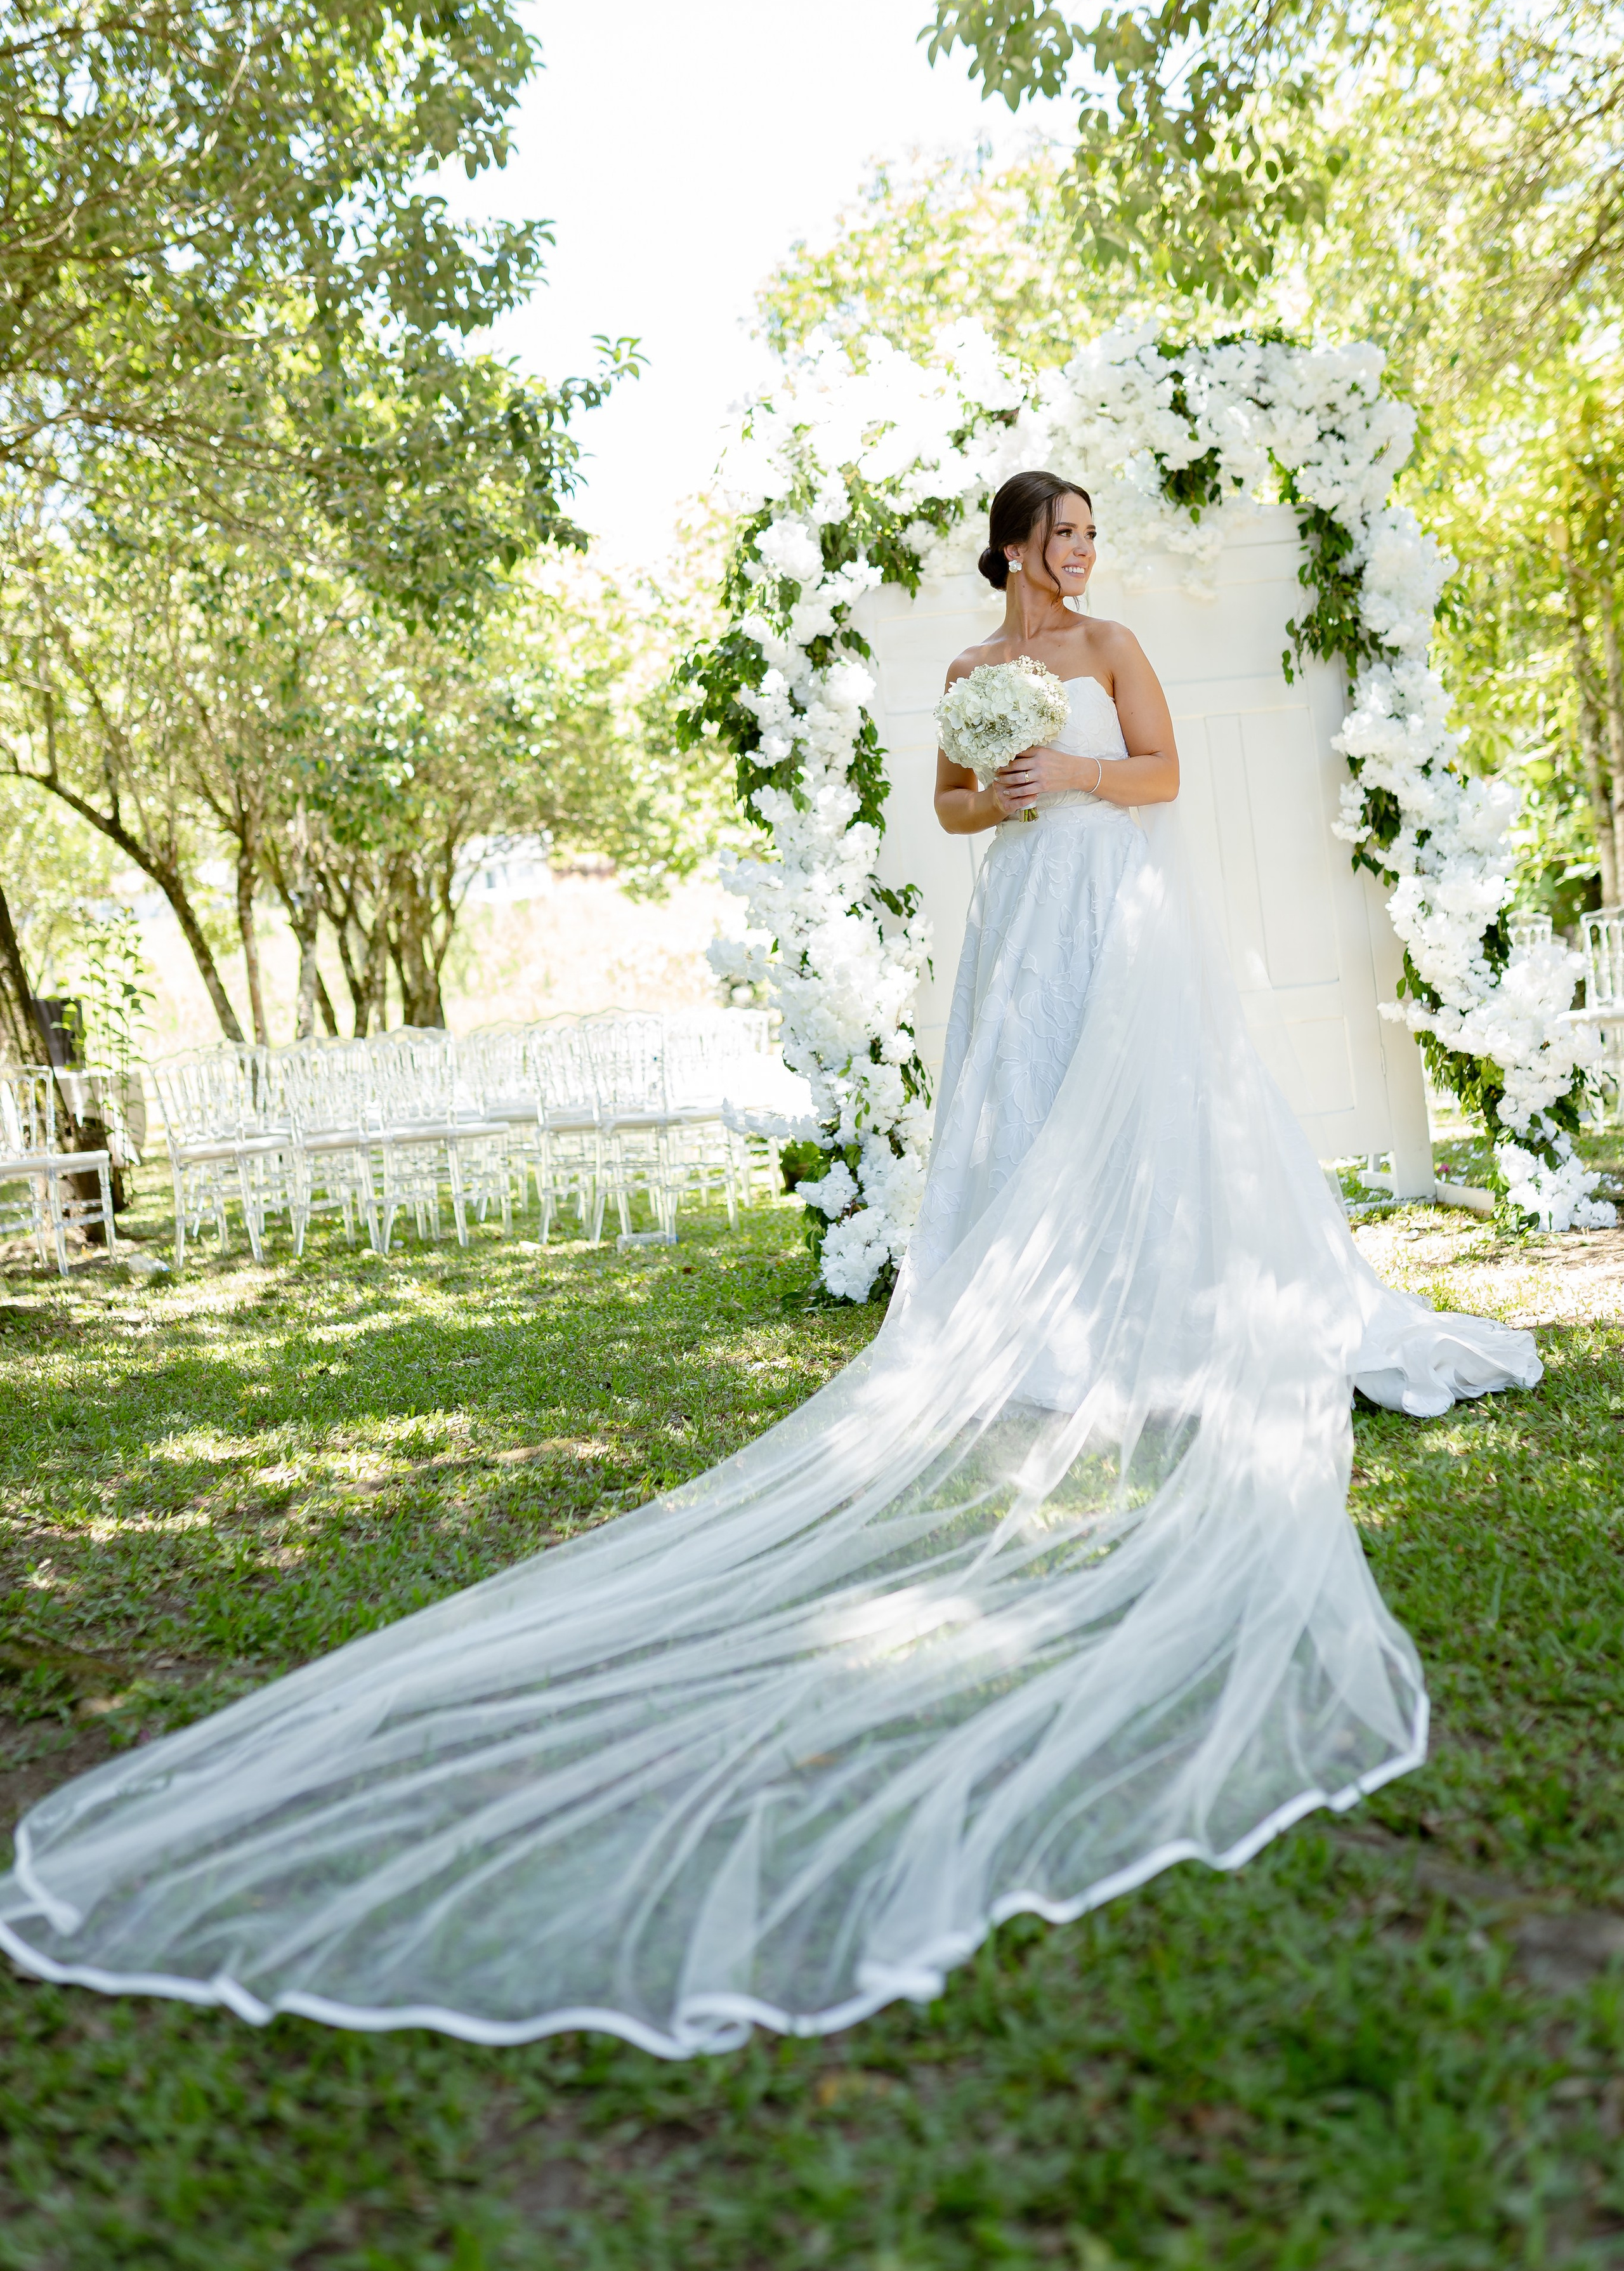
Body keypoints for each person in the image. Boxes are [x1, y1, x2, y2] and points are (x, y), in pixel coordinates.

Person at [0, 473, 1539, 2062]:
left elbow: (1158, 772)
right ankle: (1031, 1314)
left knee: (1144, 1107)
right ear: (1010, 549)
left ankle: (1178, 1295)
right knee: (1019, 1106)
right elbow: (945, 804)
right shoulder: (962, 670)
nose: (1080, 557)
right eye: (1060, 537)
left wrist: (1072, 765)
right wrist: (993, 797)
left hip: (1118, 906)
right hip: (1026, 905)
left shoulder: (1118, 642)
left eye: (1089, 536)